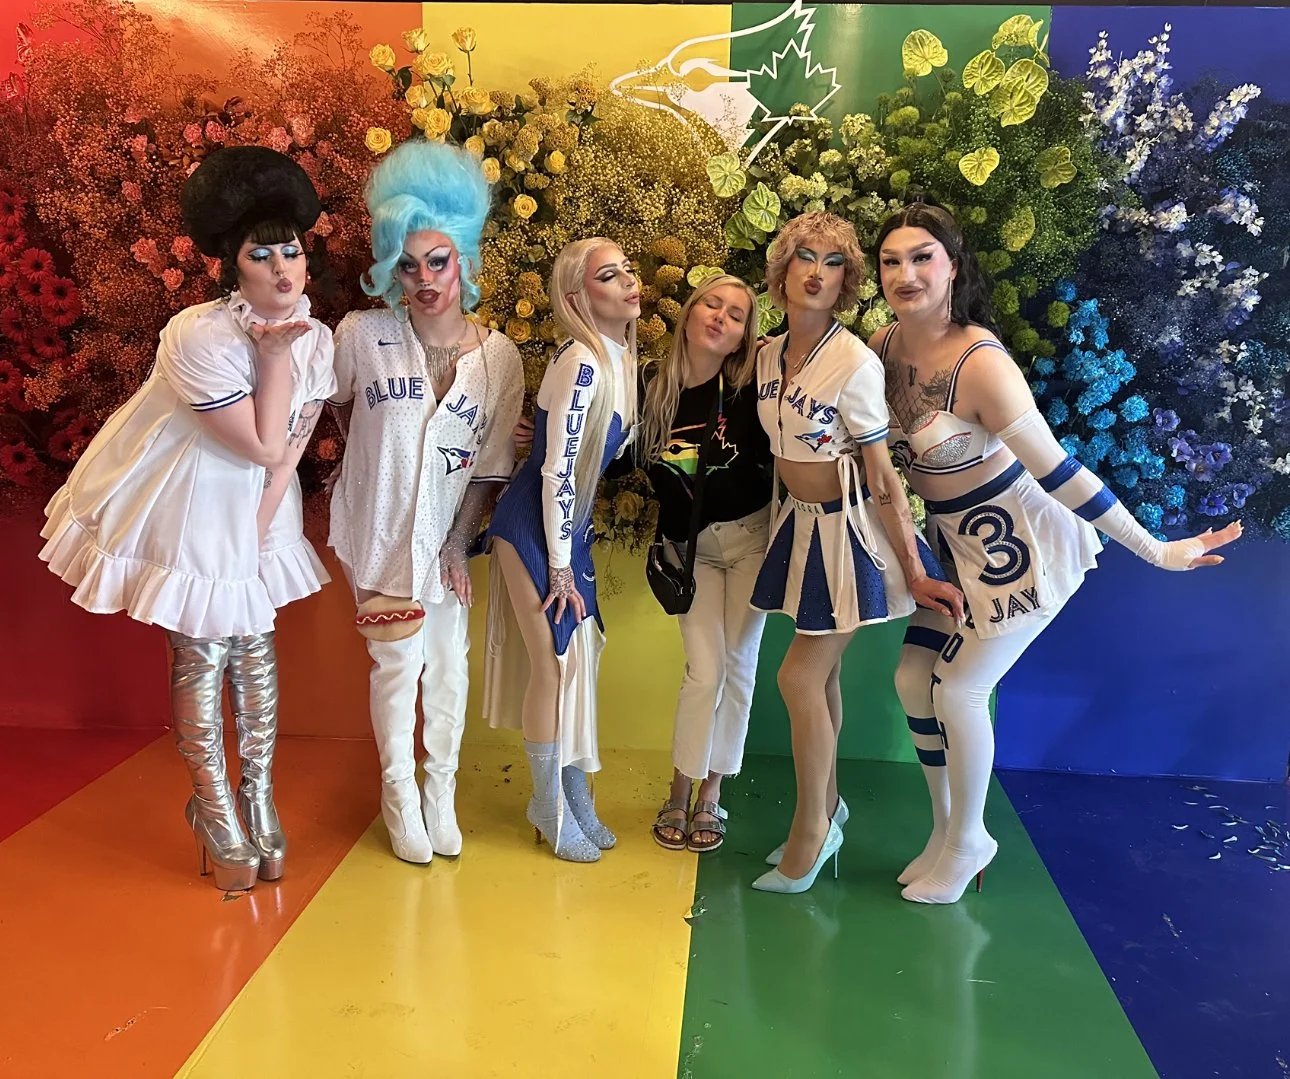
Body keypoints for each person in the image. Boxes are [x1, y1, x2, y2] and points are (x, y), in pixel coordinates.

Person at [872, 200, 1241, 904]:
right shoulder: (885, 347)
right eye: (892, 260)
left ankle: (970, 837)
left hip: (1022, 546)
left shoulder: (981, 363)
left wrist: (1155, 550)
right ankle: (949, 832)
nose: (906, 273)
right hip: (956, 550)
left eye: (923, 257)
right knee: (913, 679)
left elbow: (1060, 470)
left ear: (952, 266)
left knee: (960, 688)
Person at [39, 146, 335, 891]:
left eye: (289, 251)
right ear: (230, 267)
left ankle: (256, 798)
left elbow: (289, 451)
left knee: (256, 645)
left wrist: (262, 531)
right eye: (258, 254)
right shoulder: (198, 335)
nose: (279, 268)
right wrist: (270, 360)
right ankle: (212, 807)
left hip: (256, 506)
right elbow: (264, 440)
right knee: (206, 650)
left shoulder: (320, 338)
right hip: (196, 500)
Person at [748, 210, 964, 894]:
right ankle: (828, 805)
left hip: (851, 534)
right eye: (804, 256)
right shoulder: (763, 354)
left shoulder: (854, 362)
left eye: (833, 261)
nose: (816, 271)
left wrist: (912, 564)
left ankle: (813, 829)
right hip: (801, 523)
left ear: (846, 282)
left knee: (799, 677)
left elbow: (883, 477)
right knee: (824, 679)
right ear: (782, 270)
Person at [327, 140, 523, 864]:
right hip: (377, 530)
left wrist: (453, 545)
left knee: (449, 662)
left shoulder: (498, 357)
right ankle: (400, 795)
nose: (424, 278)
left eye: (437, 259)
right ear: (388, 267)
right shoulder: (364, 335)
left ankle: (441, 793)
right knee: (397, 664)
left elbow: (491, 467)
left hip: (447, 537)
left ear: (464, 257)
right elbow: (334, 409)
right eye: (407, 264)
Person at [484, 237, 640, 863]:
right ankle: (547, 805)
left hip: (567, 529)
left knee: (579, 666)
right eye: (611, 275)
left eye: (629, 269)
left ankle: (574, 795)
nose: (630, 281)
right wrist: (556, 561)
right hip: (533, 527)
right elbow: (556, 472)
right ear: (580, 297)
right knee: (552, 666)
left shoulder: (620, 359)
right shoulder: (581, 361)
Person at [635, 274, 773, 853]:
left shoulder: (752, 388)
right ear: (690, 313)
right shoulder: (649, 386)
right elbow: (615, 460)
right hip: (687, 555)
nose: (721, 317)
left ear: (744, 336)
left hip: (749, 542)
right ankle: (678, 789)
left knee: (739, 668)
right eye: (712, 304)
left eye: (736, 314)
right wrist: (532, 439)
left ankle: (711, 795)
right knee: (705, 671)